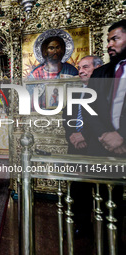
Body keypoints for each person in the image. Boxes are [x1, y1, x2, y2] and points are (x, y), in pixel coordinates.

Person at [84, 19, 126, 253]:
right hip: (104, 148)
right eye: (108, 39)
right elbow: (90, 109)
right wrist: (104, 135)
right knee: (105, 203)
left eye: (115, 39)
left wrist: (122, 136)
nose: (110, 44)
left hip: (122, 143)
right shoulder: (101, 73)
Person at [62, 55, 103, 238]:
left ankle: (105, 232)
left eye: (85, 67)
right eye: (79, 68)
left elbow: (105, 120)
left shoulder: (106, 92)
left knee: (102, 192)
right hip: (75, 148)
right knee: (79, 190)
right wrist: (72, 135)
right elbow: (66, 117)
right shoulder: (76, 92)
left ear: (98, 68)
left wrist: (84, 136)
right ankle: (82, 226)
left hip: (98, 149)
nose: (81, 71)